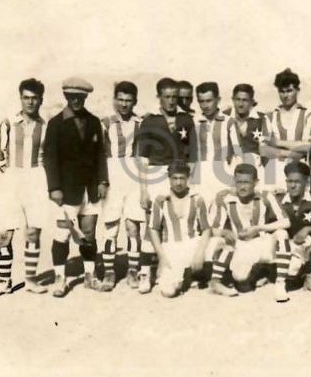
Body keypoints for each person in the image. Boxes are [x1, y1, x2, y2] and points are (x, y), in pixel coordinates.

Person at [43, 77, 109, 297]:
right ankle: (60, 278)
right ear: (65, 96)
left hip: (90, 190)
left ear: (86, 97)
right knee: (62, 234)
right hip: (66, 191)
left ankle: (90, 275)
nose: (76, 100)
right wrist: (54, 187)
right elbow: (50, 158)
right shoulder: (55, 124)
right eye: (72, 96)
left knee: (88, 233)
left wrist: (102, 181)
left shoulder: (94, 121)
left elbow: (100, 155)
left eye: (80, 96)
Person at [0, 78, 49, 297]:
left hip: (37, 178)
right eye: (26, 98)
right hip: (12, 179)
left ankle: (31, 280)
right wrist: (9, 175)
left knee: (33, 232)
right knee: (3, 233)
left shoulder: (46, 126)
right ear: (20, 98)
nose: (30, 102)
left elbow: (51, 155)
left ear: (41, 100)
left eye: (34, 98)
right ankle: (4, 282)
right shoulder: (8, 123)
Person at [137, 77, 199, 292]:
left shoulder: (186, 120)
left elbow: (193, 155)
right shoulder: (150, 121)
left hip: (178, 174)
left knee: (178, 221)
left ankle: (176, 268)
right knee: (152, 223)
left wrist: (190, 181)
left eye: (174, 96)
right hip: (156, 173)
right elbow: (142, 158)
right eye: (167, 96)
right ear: (159, 97)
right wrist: (143, 189)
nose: (171, 101)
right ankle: (145, 272)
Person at [208, 163, 292, 301]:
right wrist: (224, 232)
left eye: (246, 182)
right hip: (241, 245)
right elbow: (213, 229)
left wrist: (258, 228)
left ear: (255, 182)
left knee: (282, 234)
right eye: (239, 182)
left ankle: (280, 284)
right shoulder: (226, 198)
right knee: (241, 279)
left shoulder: (265, 196)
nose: (242, 187)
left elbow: (286, 222)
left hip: (262, 242)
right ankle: (218, 281)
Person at [98, 81, 143, 292]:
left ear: (135, 101)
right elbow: (98, 155)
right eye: (121, 100)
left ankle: (133, 270)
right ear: (115, 100)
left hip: (134, 176)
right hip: (112, 175)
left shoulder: (141, 123)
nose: (124, 104)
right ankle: (109, 271)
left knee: (133, 226)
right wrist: (101, 180)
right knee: (111, 226)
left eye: (128, 100)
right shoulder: (105, 123)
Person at [147, 162, 212, 298]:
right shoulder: (160, 200)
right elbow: (153, 229)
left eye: (182, 178)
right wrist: (162, 257)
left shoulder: (197, 199)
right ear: (169, 178)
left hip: (193, 244)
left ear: (188, 178)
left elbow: (206, 229)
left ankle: (209, 275)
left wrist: (200, 253)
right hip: (171, 246)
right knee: (168, 291)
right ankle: (187, 276)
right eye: (175, 178)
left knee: (218, 242)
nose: (178, 182)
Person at [272, 161, 311, 296]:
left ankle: (310, 275)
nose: (292, 185)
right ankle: (274, 274)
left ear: (306, 182)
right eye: (289, 181)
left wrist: (309, 229)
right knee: (291, 269)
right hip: (290, 248)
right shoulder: (279, 200)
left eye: (297, 182)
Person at [260, 68, 311, 188]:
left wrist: (277, 142)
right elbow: (263, 150)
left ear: (297, 90)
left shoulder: (308, 115)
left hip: (300, 171)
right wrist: (293, 153)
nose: (286, 95)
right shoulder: (269, 117)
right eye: (282, 91)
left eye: (289, 91)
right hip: (275, 171)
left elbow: (307, 146)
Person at [194, 81, 232, 210]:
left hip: (223, 172)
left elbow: (237, 155)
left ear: (218, 100)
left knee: (222, 211)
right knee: (202, 212)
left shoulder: (229, 122)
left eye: (209, 101)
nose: (205, 105)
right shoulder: (194, 122)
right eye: (201, 101)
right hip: (201, 175)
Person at [226, 83, 270, 172]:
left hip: (255, 168)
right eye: (238, 99)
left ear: (251, 102)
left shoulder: (262, 119)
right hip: (230, 168)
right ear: (233, 99)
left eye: (245, 100)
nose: (240, 104)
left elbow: (266, 150)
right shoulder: (224, 117)